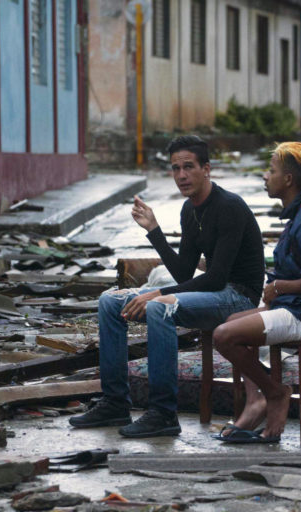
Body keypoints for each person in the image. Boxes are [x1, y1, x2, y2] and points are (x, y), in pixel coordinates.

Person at [68, 135, 265, 438]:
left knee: (162, 307)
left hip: (239, 297)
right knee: (110, 302)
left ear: (206, 169)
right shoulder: (190, 210)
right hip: (213, 293)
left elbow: (215, 277)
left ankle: (163, 413)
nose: (181, 176)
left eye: (188, 167)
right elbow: (183, 271)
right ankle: (115, 402)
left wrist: (159, 293)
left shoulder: (229, 207)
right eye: (175, 169)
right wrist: (154, 231)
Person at [212, 143, 301, 443]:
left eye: (271, 171)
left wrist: (278, 287)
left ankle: (275, 393)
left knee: (224, 336)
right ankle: (256, 401)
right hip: (299, 306)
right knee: (234, 320)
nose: (265, 176)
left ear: (288, 179)